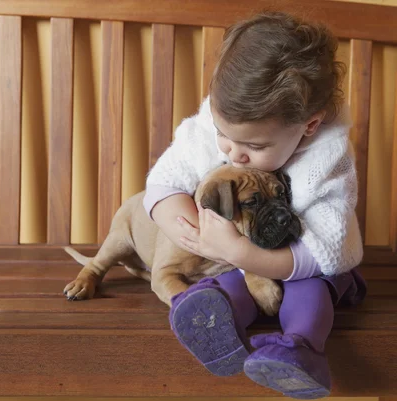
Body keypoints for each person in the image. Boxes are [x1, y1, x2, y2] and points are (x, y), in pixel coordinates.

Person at [143, 11, 367, 399]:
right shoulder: (217, 126)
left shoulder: (328, 156)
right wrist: (193, 229)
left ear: (308, 126)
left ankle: (298, 350)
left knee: (310, 289)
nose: (233, 153)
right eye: (223, 136)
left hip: (302, 263)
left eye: (254, 146)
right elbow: (163, 182)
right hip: (240, 263)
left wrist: (241, 252)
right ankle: (213, 331)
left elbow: (324, 250)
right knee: (226, 286)